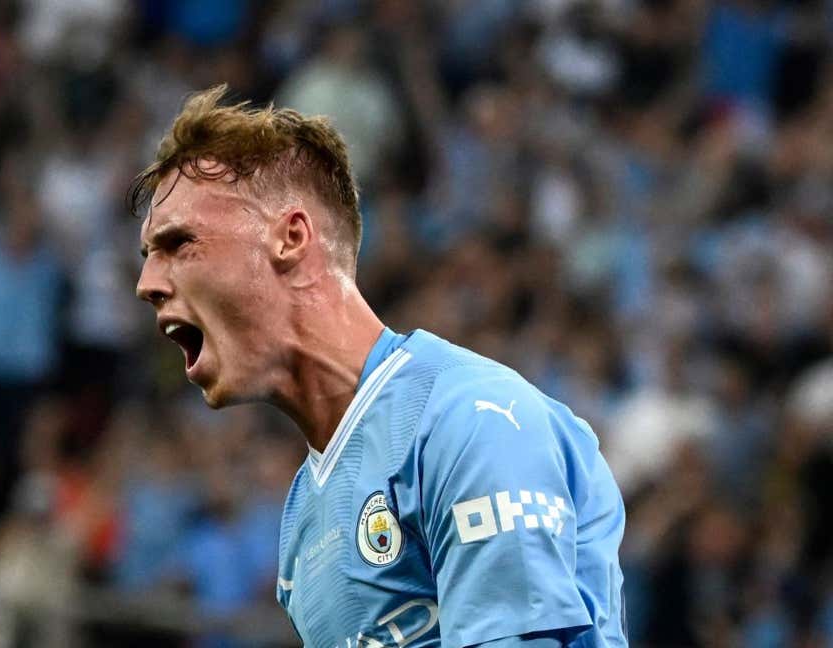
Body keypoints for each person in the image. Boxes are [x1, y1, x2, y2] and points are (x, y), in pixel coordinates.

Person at [130, 85, 627, 648]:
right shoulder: (302, 524)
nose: (147, 283)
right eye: (150, 256)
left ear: (290, 237)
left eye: (179, 243)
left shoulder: (470, 421)